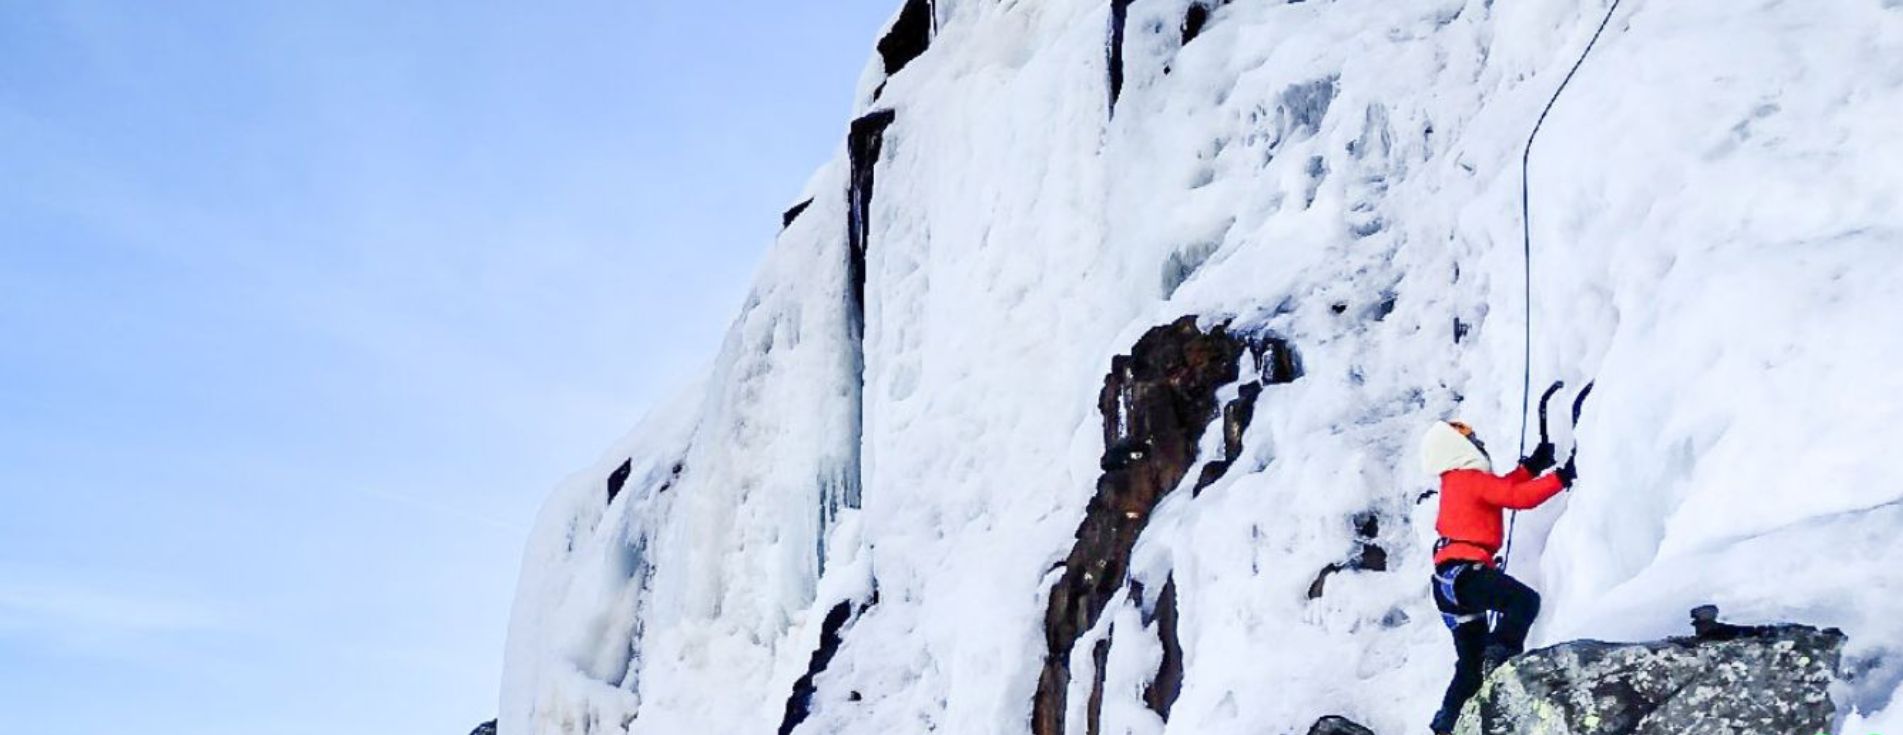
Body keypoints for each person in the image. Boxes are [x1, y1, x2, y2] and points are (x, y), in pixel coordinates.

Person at [1419, 420, 1574, 734]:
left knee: (1469, 665)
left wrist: (1531, 466)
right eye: (1465, 436)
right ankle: (1501, 657)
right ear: (1453, 447)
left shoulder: (1458, 481)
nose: (1475, 439)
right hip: (1466, 576)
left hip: (1450, 584)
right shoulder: (1467, 478)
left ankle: (1446, 724)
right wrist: (1561, 477)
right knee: (1524, 601)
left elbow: (1502, 490)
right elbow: (1518, 498)